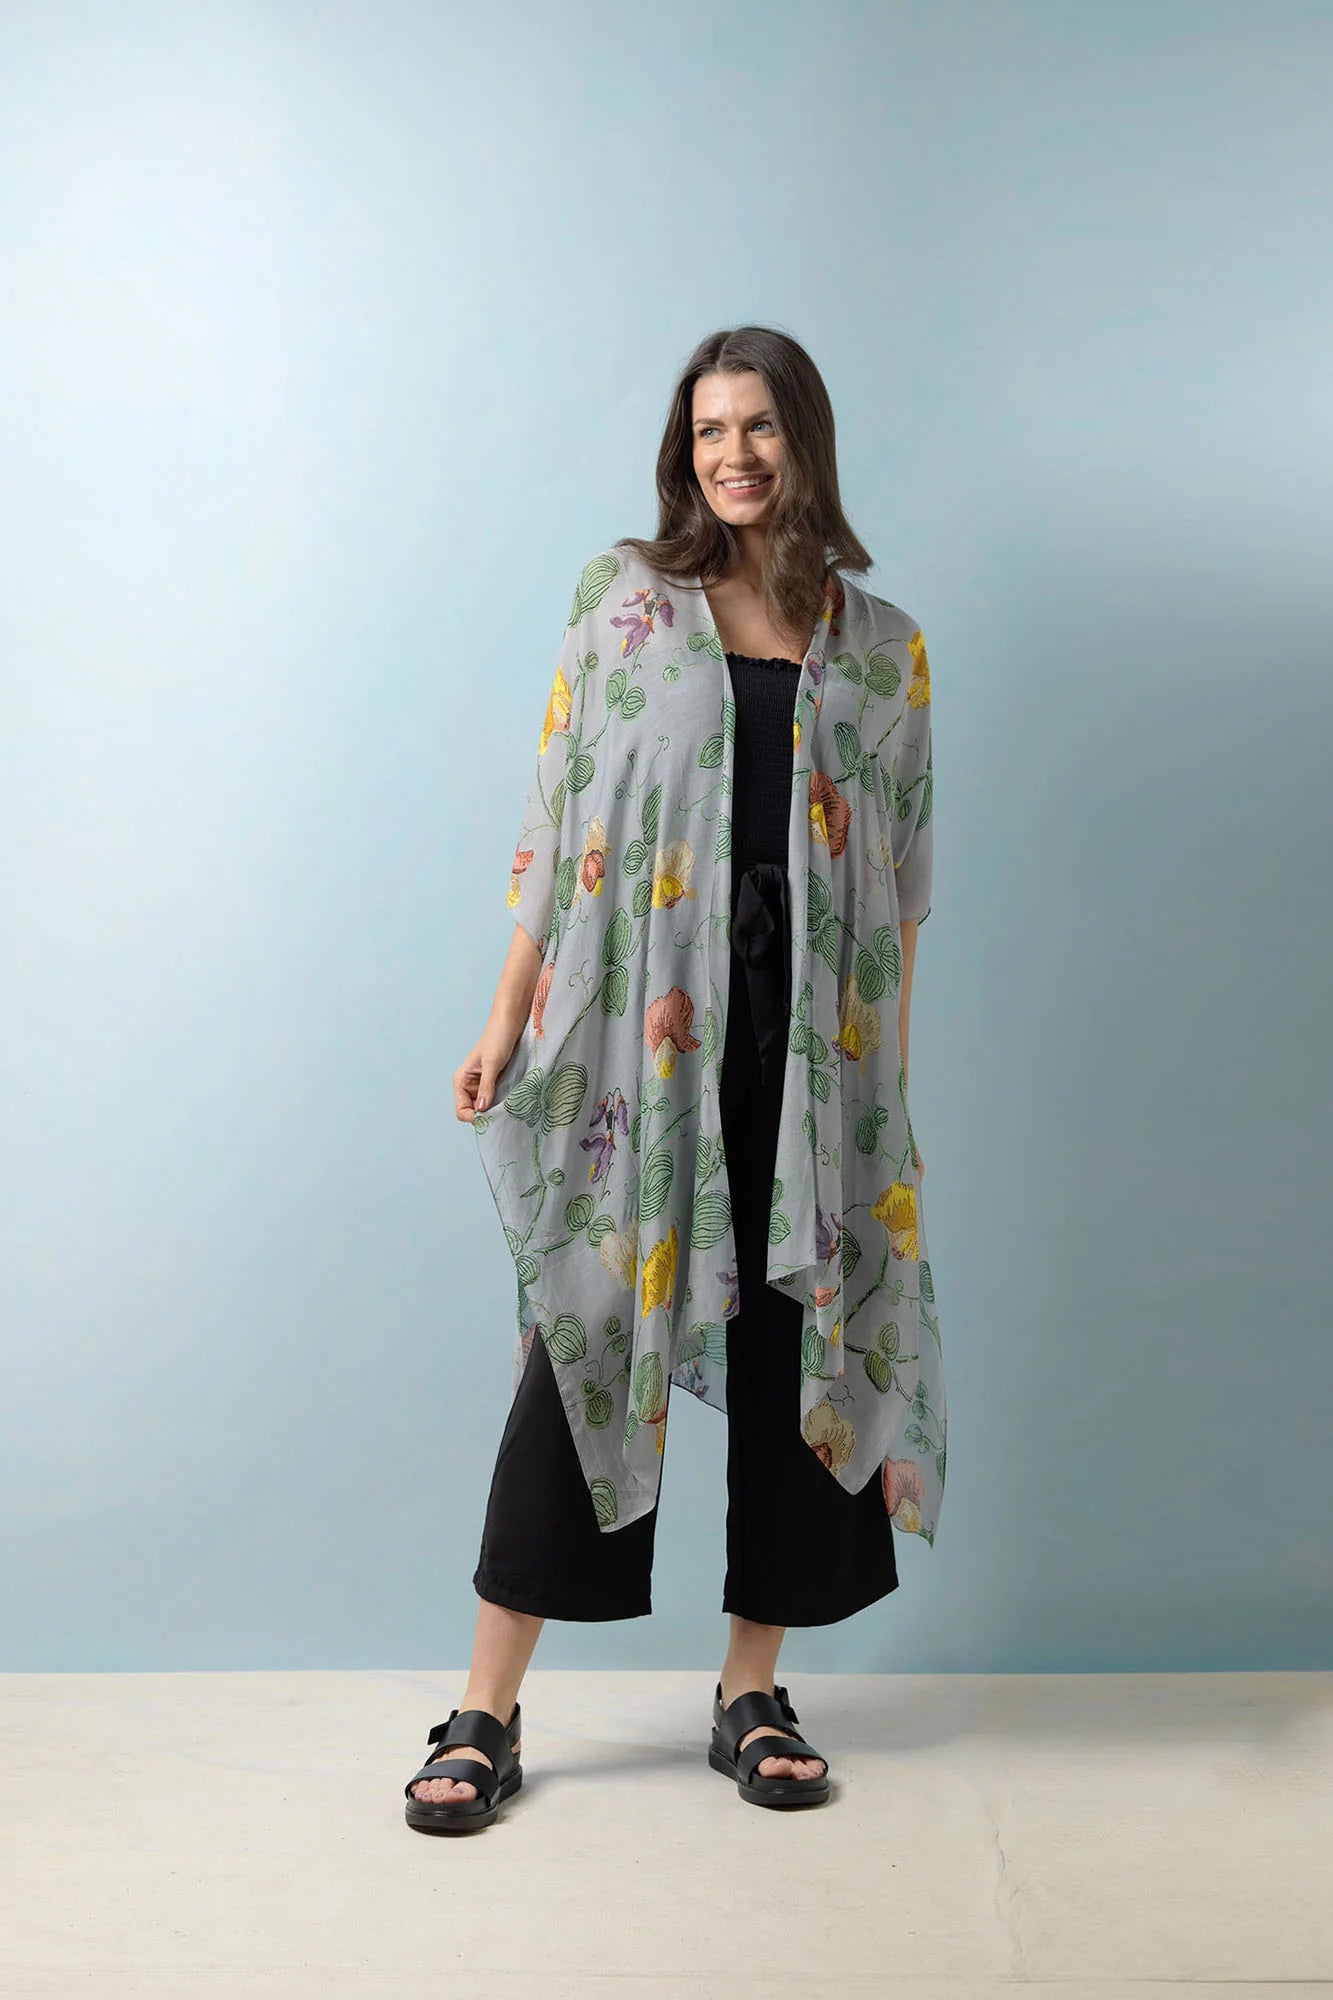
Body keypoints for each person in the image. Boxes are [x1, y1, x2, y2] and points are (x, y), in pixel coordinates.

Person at [404, 326, 944, 1831]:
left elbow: (902, 895)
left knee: (799, 1346)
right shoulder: (625, 604)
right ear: (682, 450)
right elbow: (557, 821)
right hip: (642, 1035)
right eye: (709, 430)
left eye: (759, 426)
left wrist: (886, 1098)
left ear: (804, 440)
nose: (734, 456)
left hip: (812, 1049)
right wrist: (505, 1019)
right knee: (581, 1337)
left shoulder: (884, 647)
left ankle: (751, 1692)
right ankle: (484, 1711)